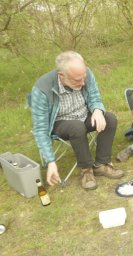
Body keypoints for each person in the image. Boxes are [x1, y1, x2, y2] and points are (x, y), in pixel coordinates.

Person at [30, 51, 124, 190]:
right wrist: (50, 161)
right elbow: (40, 129)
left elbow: (94, 97)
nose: (83, 82)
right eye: (77, 80)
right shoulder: (41, 89)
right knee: (76, 127)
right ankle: (86, 170)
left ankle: (101, 165)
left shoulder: (85, 74)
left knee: (109, 118)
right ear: (61, 76)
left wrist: (97, 110)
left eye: (84, 77)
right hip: (60, 123)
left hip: (83, 115)